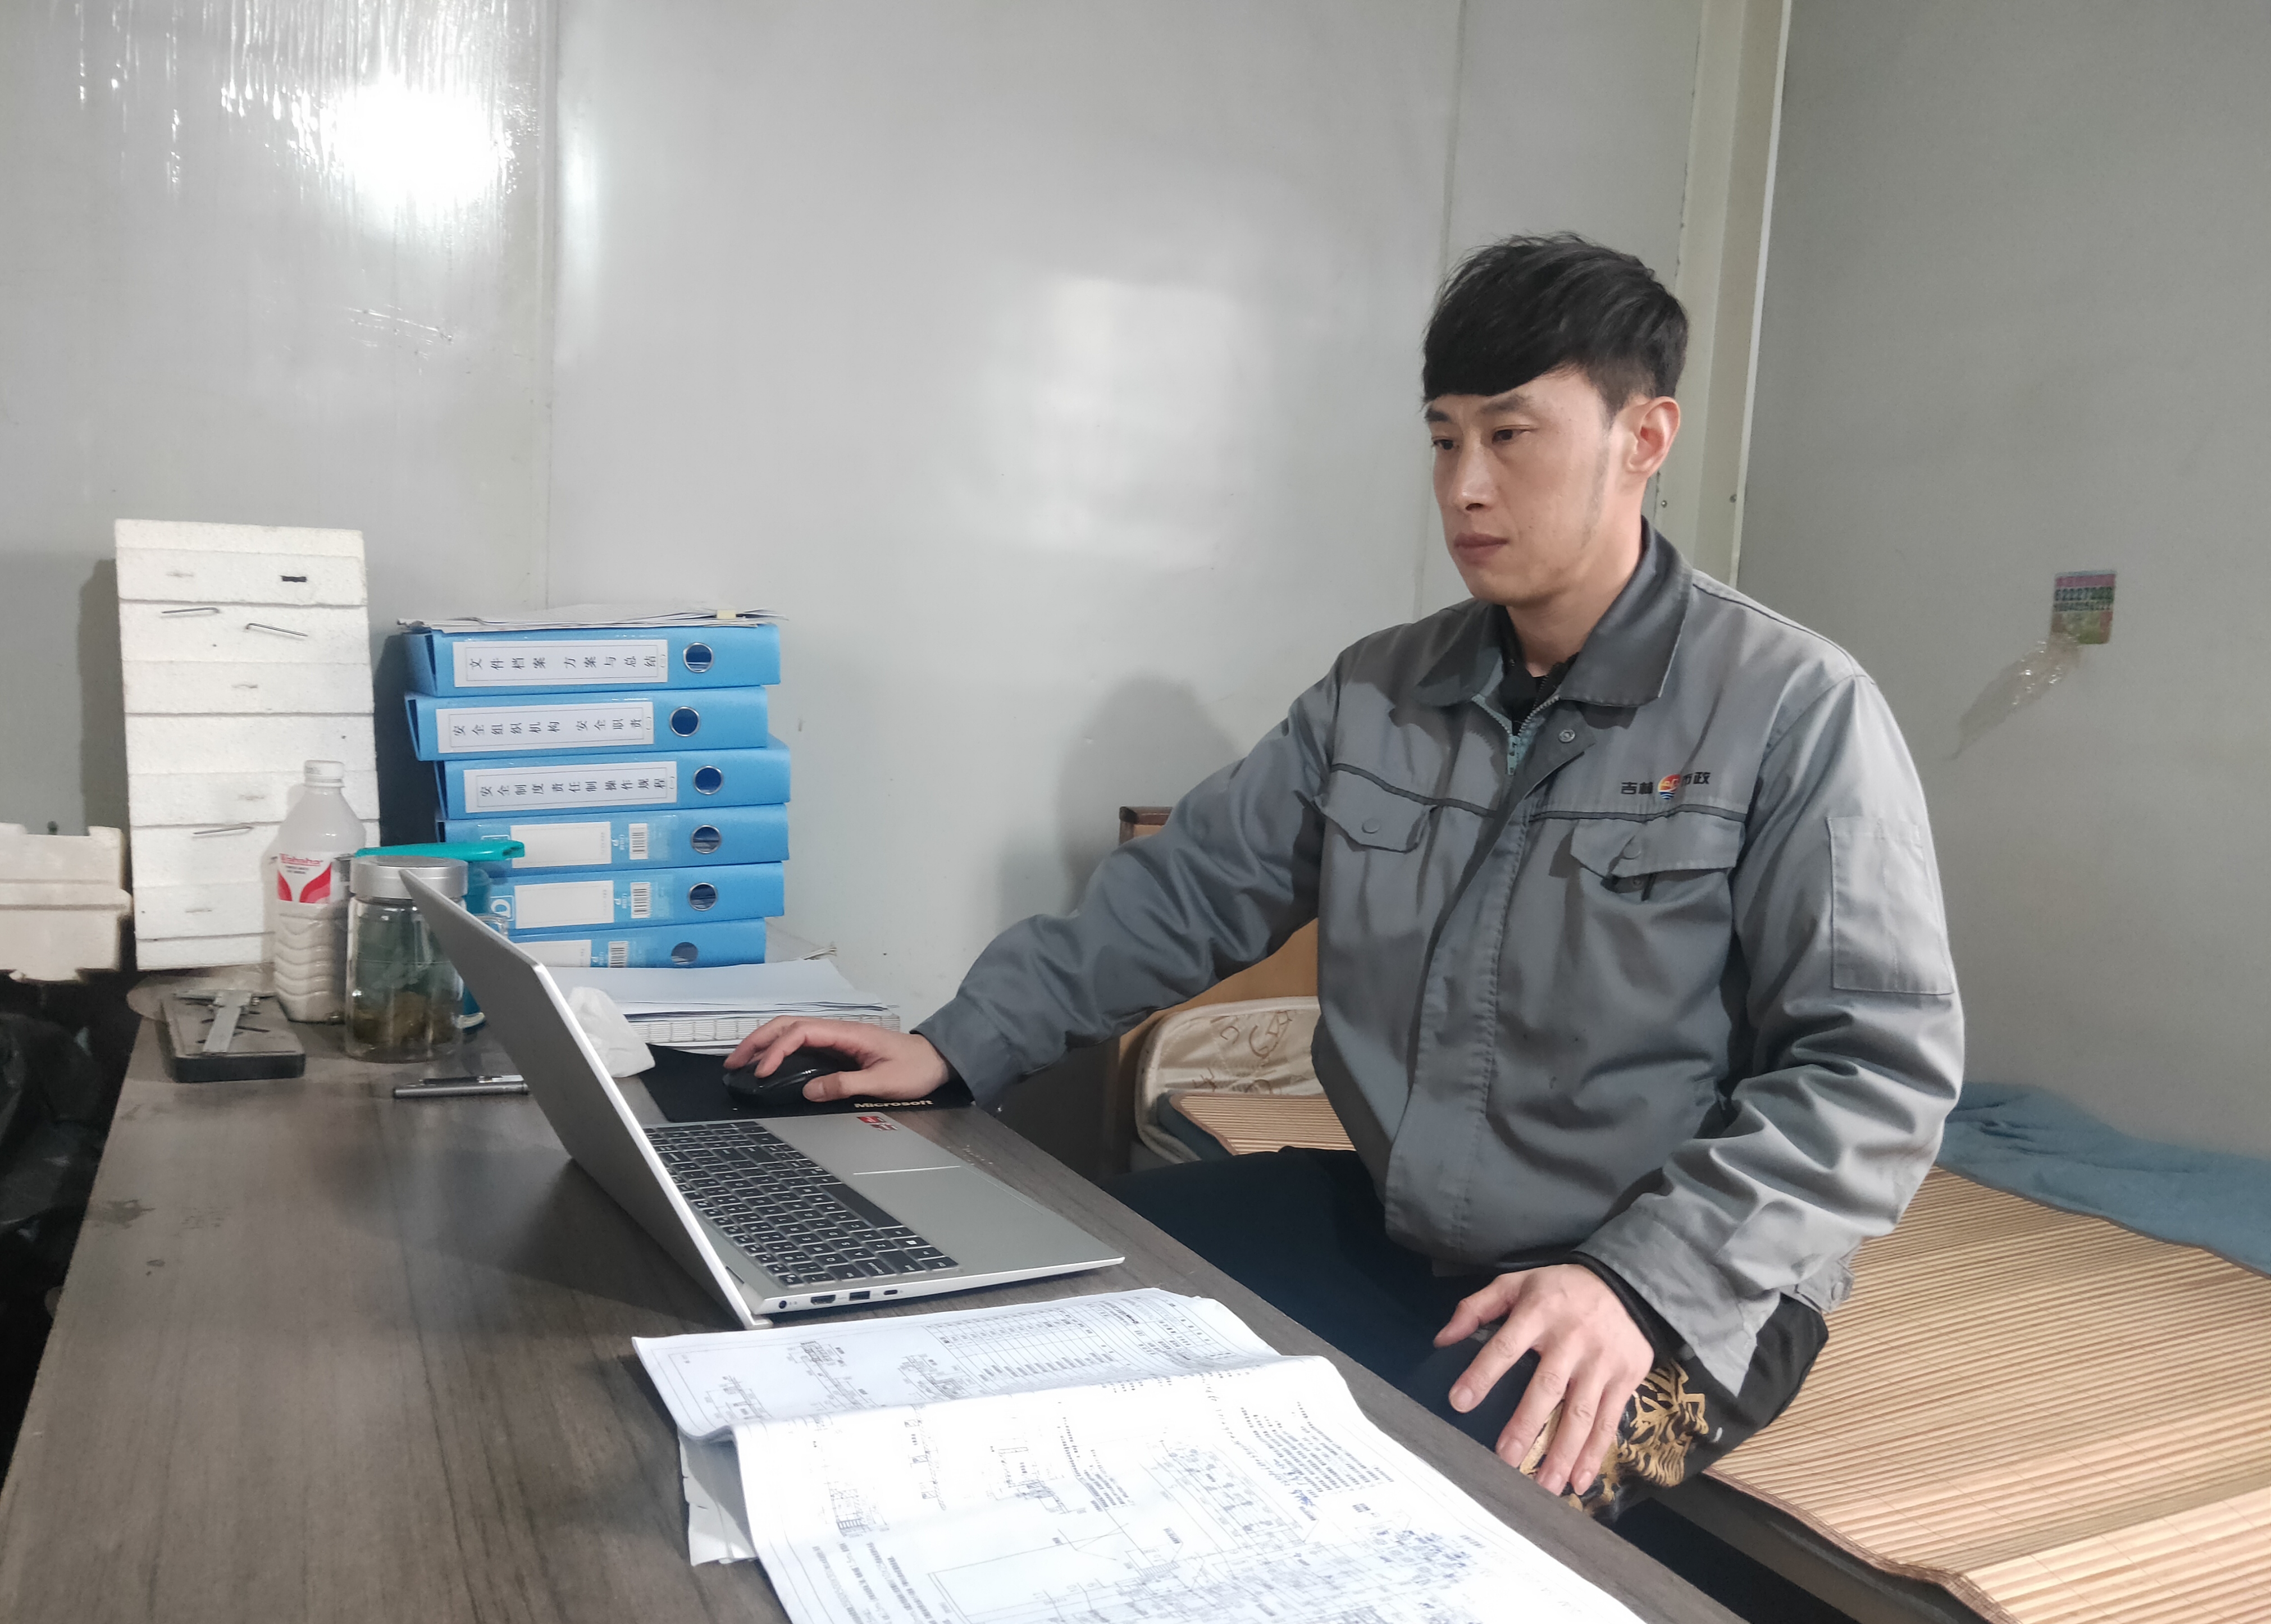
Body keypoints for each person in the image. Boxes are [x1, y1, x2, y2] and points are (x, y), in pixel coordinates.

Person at [729, 234, 1963, 1518]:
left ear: (1642, 439)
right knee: (1045, 1307)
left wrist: (1637, 1281)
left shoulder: (1790, 708)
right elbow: (1189, 891)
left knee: (1401, 1519)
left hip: (1664, 1289)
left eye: (1510, 436)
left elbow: (1874, 1068)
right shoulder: (1382, 689)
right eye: (1442, 440)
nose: (1464, 488)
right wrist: (957, 1044)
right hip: (1408, 1227)